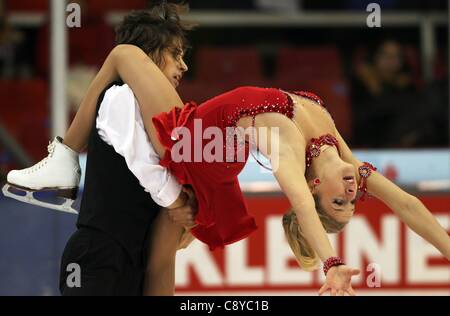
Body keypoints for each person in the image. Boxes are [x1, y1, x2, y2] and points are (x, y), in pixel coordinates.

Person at [6, 30, 450, 298]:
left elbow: (295, 197)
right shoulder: (342, 153)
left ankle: (64, 158)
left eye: (338, 201)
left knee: (126, 56)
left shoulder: (292, 154)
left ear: (317, 190)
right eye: (353, 201)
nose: (352, 192)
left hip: (191, 138)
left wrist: (331, 264)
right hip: (210, 156)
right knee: (161, 259)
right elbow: (409, 206)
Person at [5, 3, 197, 296]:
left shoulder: (158, 117)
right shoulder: (119, 96)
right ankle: (62, 157)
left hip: (133, 260)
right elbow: (145, 167)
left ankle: (63, 157)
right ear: (146, 58)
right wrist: (180, 202)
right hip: (100, 256)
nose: (183, 65)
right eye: (175, 54)